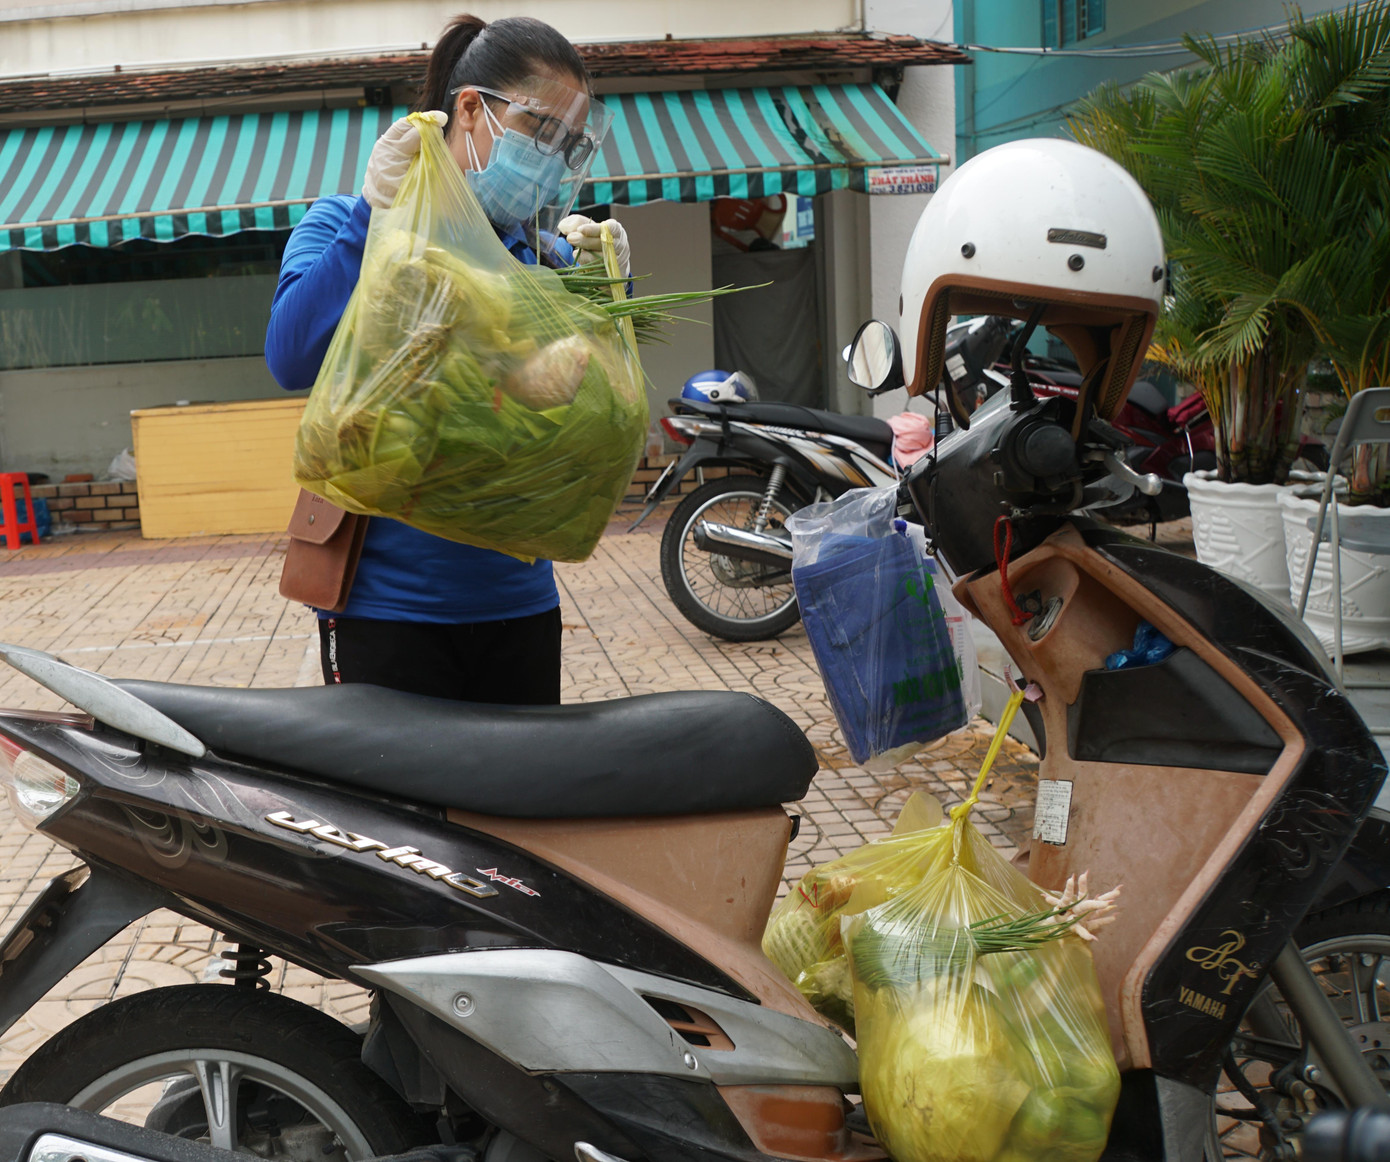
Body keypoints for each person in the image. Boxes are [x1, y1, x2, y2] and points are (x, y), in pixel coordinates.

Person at [265, 14, 629, 706]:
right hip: (383, 607)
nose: (553, 159)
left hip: (518, 602)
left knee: (515, 813)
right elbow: (291, 356)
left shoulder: (541, 261)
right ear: (471, 109)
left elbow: (595, 417)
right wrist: (374, 218)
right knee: (397, 815)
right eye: (542, 132)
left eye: (569, 144)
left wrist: (610, 305)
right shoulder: (345, 220)